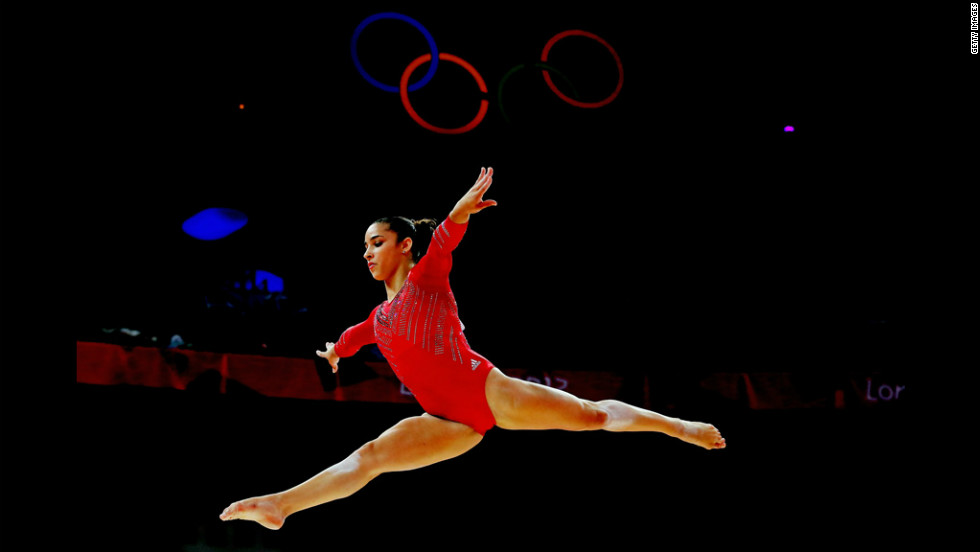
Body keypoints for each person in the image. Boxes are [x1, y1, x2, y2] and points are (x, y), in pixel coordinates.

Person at [219, 167, 725, 530]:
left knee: (591, 417)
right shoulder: (378, 317)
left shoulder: (427, 278)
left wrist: (461, 209)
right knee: (371, 456)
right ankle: (281, 504)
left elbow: (445, 238)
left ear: (403, 245)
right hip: (447, 424)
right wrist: (334, 354)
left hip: (488, 393)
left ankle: (678, 427)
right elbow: (353, 338)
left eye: (377, 242)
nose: (367, 252)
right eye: (364, 246)